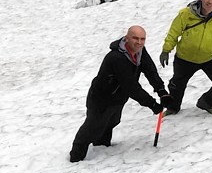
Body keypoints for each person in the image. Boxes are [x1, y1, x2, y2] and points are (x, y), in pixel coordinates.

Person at [70, 25, 167, 163]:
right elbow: (131, 87)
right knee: (93, 128)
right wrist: (152, 104)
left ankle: (101, 149)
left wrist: (162, 92)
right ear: (126, 38)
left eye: (142, 39)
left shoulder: (140, 52)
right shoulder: (116, 58)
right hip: (101, 98)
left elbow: (150, 72)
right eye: (135, 38)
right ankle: (76, 158)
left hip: (118, 98)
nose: (139, 42)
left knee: (112, 122)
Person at [159, 0, 212, 115]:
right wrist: (166, 50)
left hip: (210, 58)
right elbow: (174, 33)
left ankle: (207, 102)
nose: (210, 1)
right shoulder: (185, 14)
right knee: (177, 85)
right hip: (185, 58)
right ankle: (173, 108)